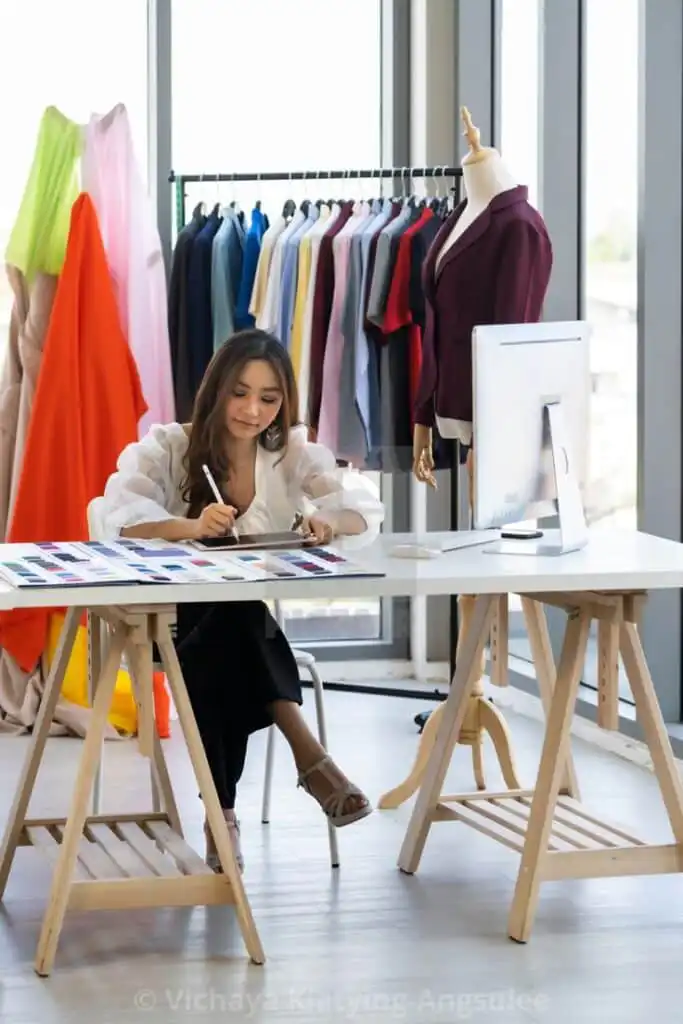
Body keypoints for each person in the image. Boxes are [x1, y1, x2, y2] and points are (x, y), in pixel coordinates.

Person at [99, 328, 384, 872]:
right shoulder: (170, 448)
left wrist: (327, 520)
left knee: (230, 630)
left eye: (269, 398)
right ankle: (309, 756)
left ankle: (221, 815)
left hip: (224, 642)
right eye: (240, 392)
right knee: (236, 618)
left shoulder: (288, 454)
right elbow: (120, 520)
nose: (253, 410)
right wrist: (191, 527)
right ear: (217, 389)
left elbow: (362, 507)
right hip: (163, 628)